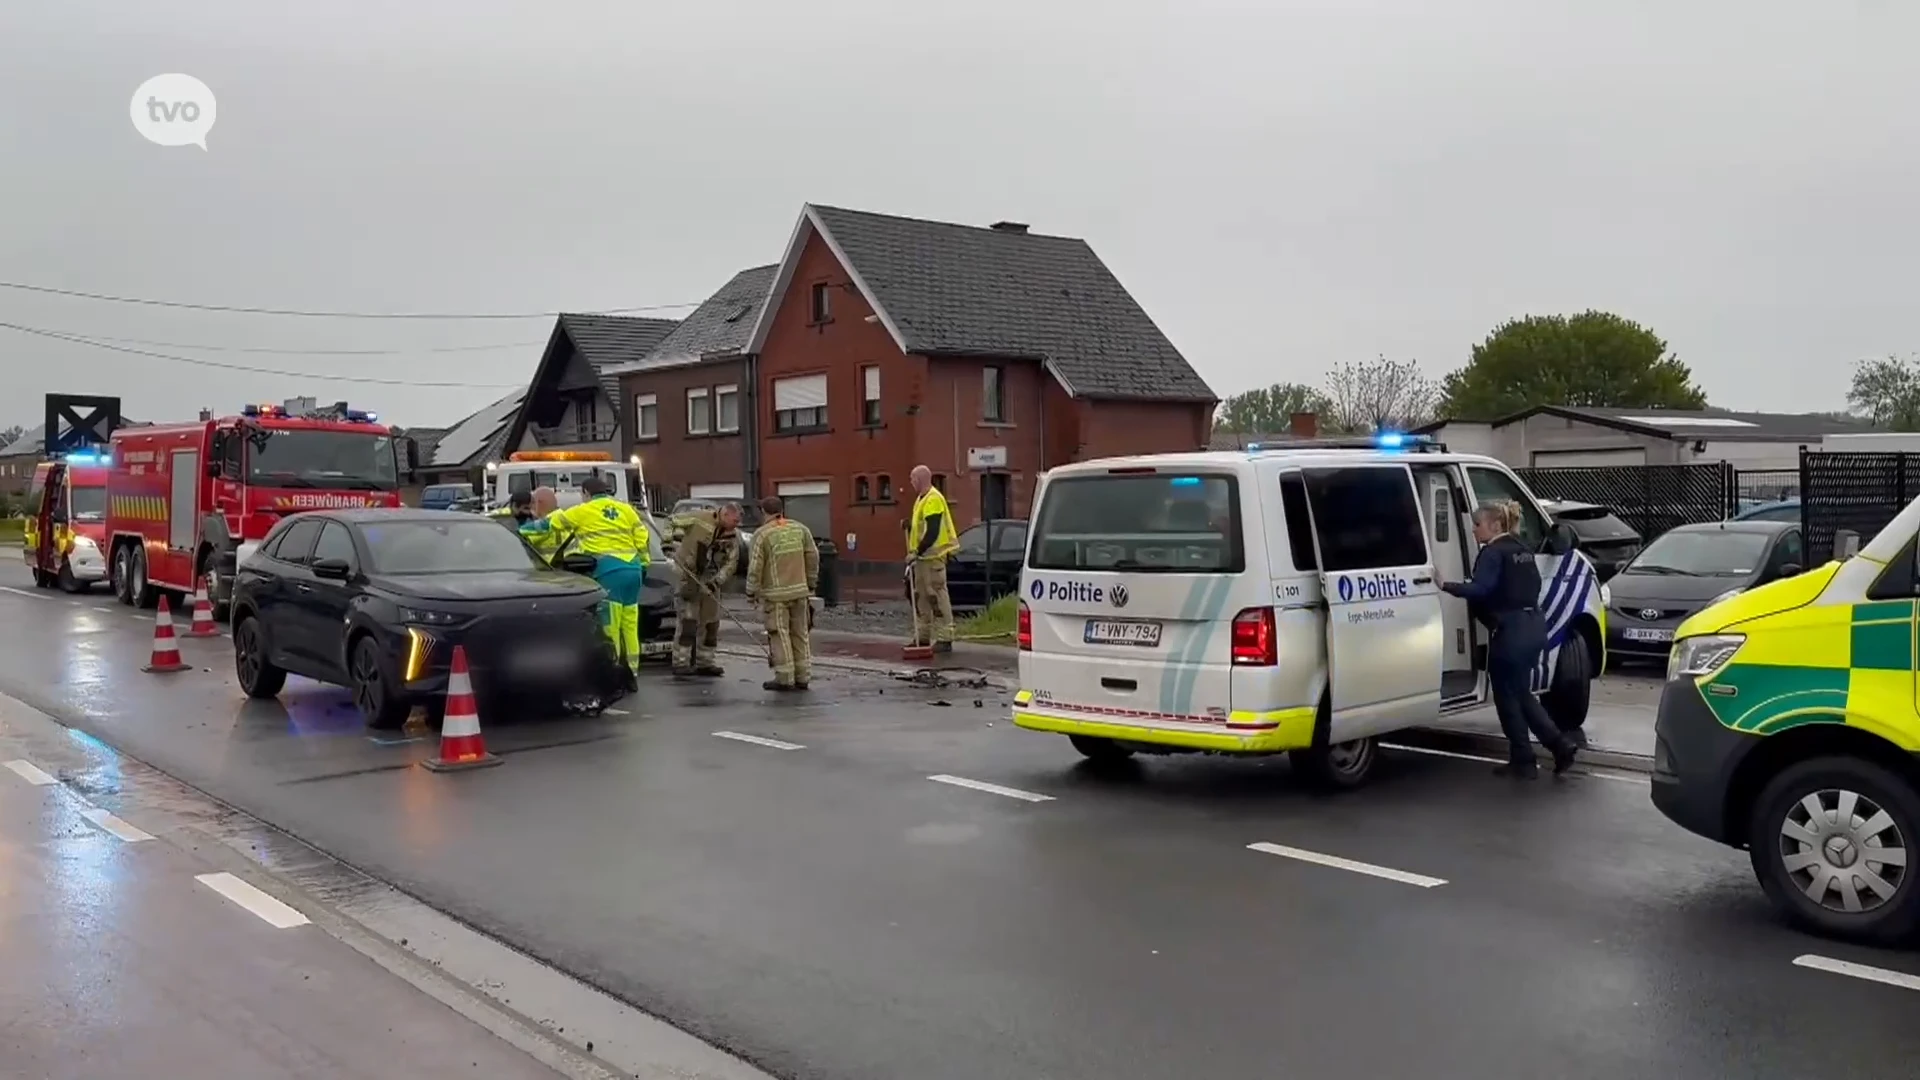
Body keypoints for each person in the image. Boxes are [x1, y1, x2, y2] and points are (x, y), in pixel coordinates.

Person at [1442, 500, 1578, 780]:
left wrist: (1445, 585)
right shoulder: (1522, 550)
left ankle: (1532, 756)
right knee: (1520, 692)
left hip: (1511, 631)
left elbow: (1481, 589)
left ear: (1494, 525)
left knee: (1509, 697)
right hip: (1534, 626)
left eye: (1477, 525)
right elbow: (1534, 586)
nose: (1473, 531)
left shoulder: (1493, 553)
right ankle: (1548, 749)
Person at [526, 476, 650, 684]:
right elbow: (642, 537)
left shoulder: (583, 511)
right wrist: (644, 564)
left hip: (609, 571)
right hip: (633, 570)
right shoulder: (626, 509)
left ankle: (613, 675)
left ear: (585, 493)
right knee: (630, 625)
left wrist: (520, 531)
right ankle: (632, 671)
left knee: (610, 627)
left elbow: (549, 525)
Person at [745, 495, 818, 691]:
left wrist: (751, 592)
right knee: (800, 633)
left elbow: (755, 567)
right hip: (800, 592)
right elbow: (813, 557)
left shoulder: (762, 535)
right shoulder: (800, 529)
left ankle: (785, 678)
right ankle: (803, 676)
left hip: (775, 596)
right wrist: (810, 582)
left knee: (779, 634)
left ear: (763, 512)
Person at [671, 501, 742, 678]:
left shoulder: (732, 537)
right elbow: (671, 521)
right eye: (734, 521)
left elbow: (731, 563)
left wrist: (716, 582)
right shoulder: (699, 518)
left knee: (711, 623)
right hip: (688, 576)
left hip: (711, 580)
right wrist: (669, 543)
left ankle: (706, 661)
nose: (736, 525)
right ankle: (681, 662)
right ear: (725, 515)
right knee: (688, 621)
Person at [905, 465, 958, 652]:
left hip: (933, 558)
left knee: (937, 596)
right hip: (922, 560)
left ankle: (945, 637)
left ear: (919, 479)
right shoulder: (921, 500)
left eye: (912, 479)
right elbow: (921, 527)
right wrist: (909, 526)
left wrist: (916, 552)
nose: (911, 483)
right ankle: (923, 636)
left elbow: (933, 531)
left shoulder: (933, 499)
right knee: (921, 598)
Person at [518, 486, 562, 563]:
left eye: (532, 503)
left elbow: (515, 534)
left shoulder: (543, 525)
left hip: (546, 567)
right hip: (567, 567)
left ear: (538, 503)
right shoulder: (565, 517)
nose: (531, 507)